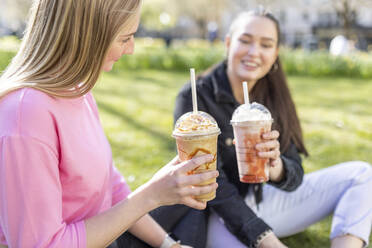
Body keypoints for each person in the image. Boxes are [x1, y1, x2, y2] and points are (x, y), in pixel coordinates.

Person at [118, 9, 372, 248]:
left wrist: (277, 168)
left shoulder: (275, 97)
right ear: (228, 44)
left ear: (275, 54)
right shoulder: (196, 97)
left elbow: (295, 174)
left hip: (267, 201)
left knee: (362, 174)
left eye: (266, 44)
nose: (254, 52)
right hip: (222, 214)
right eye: (246, 40)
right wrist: (264, 237)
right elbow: (213, 187)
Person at [0, 0, 219, 247]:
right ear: (86, 37)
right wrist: (152, 195)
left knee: (193, 208)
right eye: (125, 39)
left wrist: (169, 244)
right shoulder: (26, 115)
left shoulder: (78, 91)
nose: (131, 49)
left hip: (108, 239)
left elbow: (111, 188)